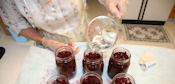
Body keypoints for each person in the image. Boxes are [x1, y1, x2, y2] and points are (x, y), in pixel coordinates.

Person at [0, 0, 128, 52]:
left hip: (83, 33)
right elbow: (16, 23)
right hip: (50, 45)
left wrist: (111, 1)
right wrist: (46, 41)